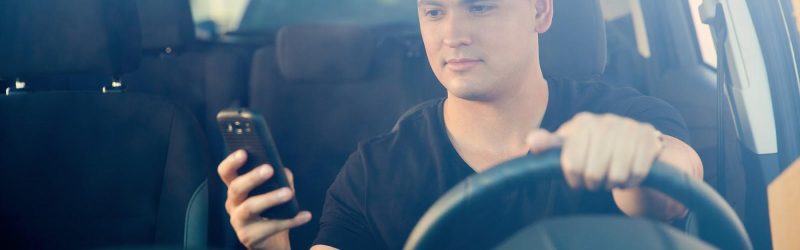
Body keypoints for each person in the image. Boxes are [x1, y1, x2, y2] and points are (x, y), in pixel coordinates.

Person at [217, 0, 704, 249]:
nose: (453, 34)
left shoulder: (627, 117)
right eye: (434, 11)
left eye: (479, 5)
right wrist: (272, 247)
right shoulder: (376, 170)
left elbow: (674, 186)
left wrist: (636, 162)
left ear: (539, 10)